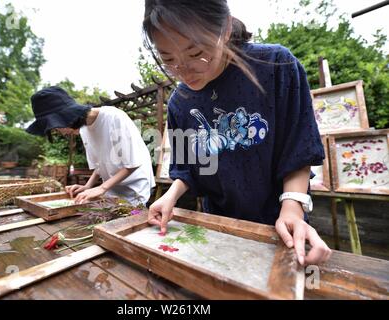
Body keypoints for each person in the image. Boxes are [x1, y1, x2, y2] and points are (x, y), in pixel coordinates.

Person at [143, 0, 331, 266]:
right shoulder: (180, 101)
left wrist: (292, 208)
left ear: (226, 28)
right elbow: (189, 168)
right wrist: (169, 196)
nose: (184, 71)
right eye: (169, 59)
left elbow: (298, 149)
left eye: (196, 53)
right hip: (218, 226)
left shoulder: (275, 65)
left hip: (280, 223)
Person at [26, 86, 155, 206]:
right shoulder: (84, 129)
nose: (60, 132)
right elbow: (99, 165)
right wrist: (88, 186)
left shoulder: (114, 117)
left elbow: (132, 164)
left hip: (135, 188)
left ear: (65, 116)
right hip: (112, 188)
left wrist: (101, 188)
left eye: (56, 127)